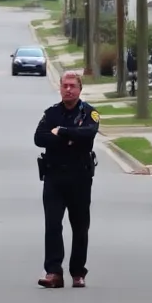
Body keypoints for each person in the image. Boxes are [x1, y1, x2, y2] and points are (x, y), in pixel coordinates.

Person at [34, 69, 100, 288]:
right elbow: (39, 138)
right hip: (54, 177)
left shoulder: (89, 113)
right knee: (53, 225)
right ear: (60, 88)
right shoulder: (51, 113)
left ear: (80, 89)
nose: (68, 90)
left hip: (80, 178)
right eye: (65, 86)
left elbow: (88, 134)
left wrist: (60, 131)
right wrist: (70, 138)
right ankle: (53, 272)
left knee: (80, 227)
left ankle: (78, 272)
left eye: (73, 86)